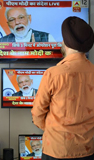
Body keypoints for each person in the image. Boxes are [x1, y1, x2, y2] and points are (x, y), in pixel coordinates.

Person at [31, 16, 94, 160]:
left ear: (64, 43)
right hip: (87, 149)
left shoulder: (53, 74)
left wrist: (52, 130)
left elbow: (38, 112)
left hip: (57, 149)